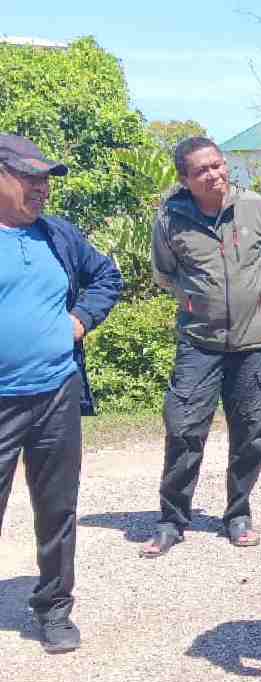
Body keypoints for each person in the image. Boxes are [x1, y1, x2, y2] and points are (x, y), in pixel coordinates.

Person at [0, 134, 122, 652]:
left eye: (45, 179)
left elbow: (106, 276)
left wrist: (82, 319)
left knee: (57, 508)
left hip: (56, 392)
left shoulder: (58, 236)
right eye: (29, 177)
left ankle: (53, 609)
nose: (41, 188)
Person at [142, 137, 261, 557]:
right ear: (185, 179)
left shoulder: (258, 208)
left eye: (217, 165)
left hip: (254, 342)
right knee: (183, 430)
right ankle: (172, 520)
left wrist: (251, 302)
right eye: (201, 170)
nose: (213, 174)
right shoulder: (170, 219)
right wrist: (195, 301)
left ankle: (238, 513)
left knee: (250, 433)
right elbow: (165, 272)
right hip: (198, 343)